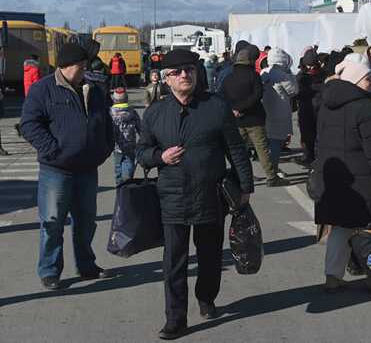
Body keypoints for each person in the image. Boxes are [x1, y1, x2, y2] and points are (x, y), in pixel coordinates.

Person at [137, 49, 254, 340]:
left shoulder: (216, 106)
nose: (184, 75)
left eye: (189, 69)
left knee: (210, 256)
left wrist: (246, 188)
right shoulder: (155, 113)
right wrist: (160, 156)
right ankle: (175, 319)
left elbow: (236, 149)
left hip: (211, 195)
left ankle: (206, 298)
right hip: (172, 198)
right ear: (166, 79)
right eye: (177, 72)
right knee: (174, 261)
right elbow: (141, 152)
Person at [20, 42, 114, 290]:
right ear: (65, 66)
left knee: (86, 222)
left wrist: (104, 147)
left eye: (85, 66)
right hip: (56, 171)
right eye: (80, 67)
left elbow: (105, 120)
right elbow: (29, 124)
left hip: (87, 169)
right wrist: (52, 150)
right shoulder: (43, 89)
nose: (84, 70)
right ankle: (50, 271)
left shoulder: (93, 89)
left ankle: (86, 265)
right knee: (52, 223)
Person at [314, 58, 371, 293]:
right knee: (370, 230)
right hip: (364, 181)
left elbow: (319, 144)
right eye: (367, 78)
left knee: (340, 228)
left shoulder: (327, 104)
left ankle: (332, 276)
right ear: (355, 80)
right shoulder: (367, 108)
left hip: (334, 180)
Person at [221, 44, 287, 187]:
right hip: (254, 119)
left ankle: (241, 176)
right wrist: (243, 108)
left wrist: (234, 110)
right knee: (262, 149)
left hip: (236, 120)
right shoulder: (254, 75)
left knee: (238, 151)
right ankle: (271, 177)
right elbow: (257, 95)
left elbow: (222, 97)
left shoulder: (228, 78)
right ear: (250, 61)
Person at [261, 47, 298, 177]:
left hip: (265, 111)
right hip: (279, 112)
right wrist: (291, 76)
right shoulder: (282, 75)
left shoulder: (263, 72)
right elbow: (293, 90)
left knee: (268, 142)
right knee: (276, 142)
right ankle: (273, 170)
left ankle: (271, 169)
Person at [296, 50, 326, 164]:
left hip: (320, 108)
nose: (311, 68)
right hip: (305, 108)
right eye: (309, 65)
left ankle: (319, 156)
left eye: (313, 65)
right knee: (306, 134)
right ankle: (308, 155)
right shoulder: (301, 76)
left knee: (320, 134)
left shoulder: (322, 73)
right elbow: (297, 92)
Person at [109, 87, 140, 185]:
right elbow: (140, 127)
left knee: (118, 165)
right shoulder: (132, 111)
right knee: (129, 162)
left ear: (114, 99)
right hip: (130, 144)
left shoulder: (110, 112)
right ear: (126, 98)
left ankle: (119, 184)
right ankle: (128, 180)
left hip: (116, 145)